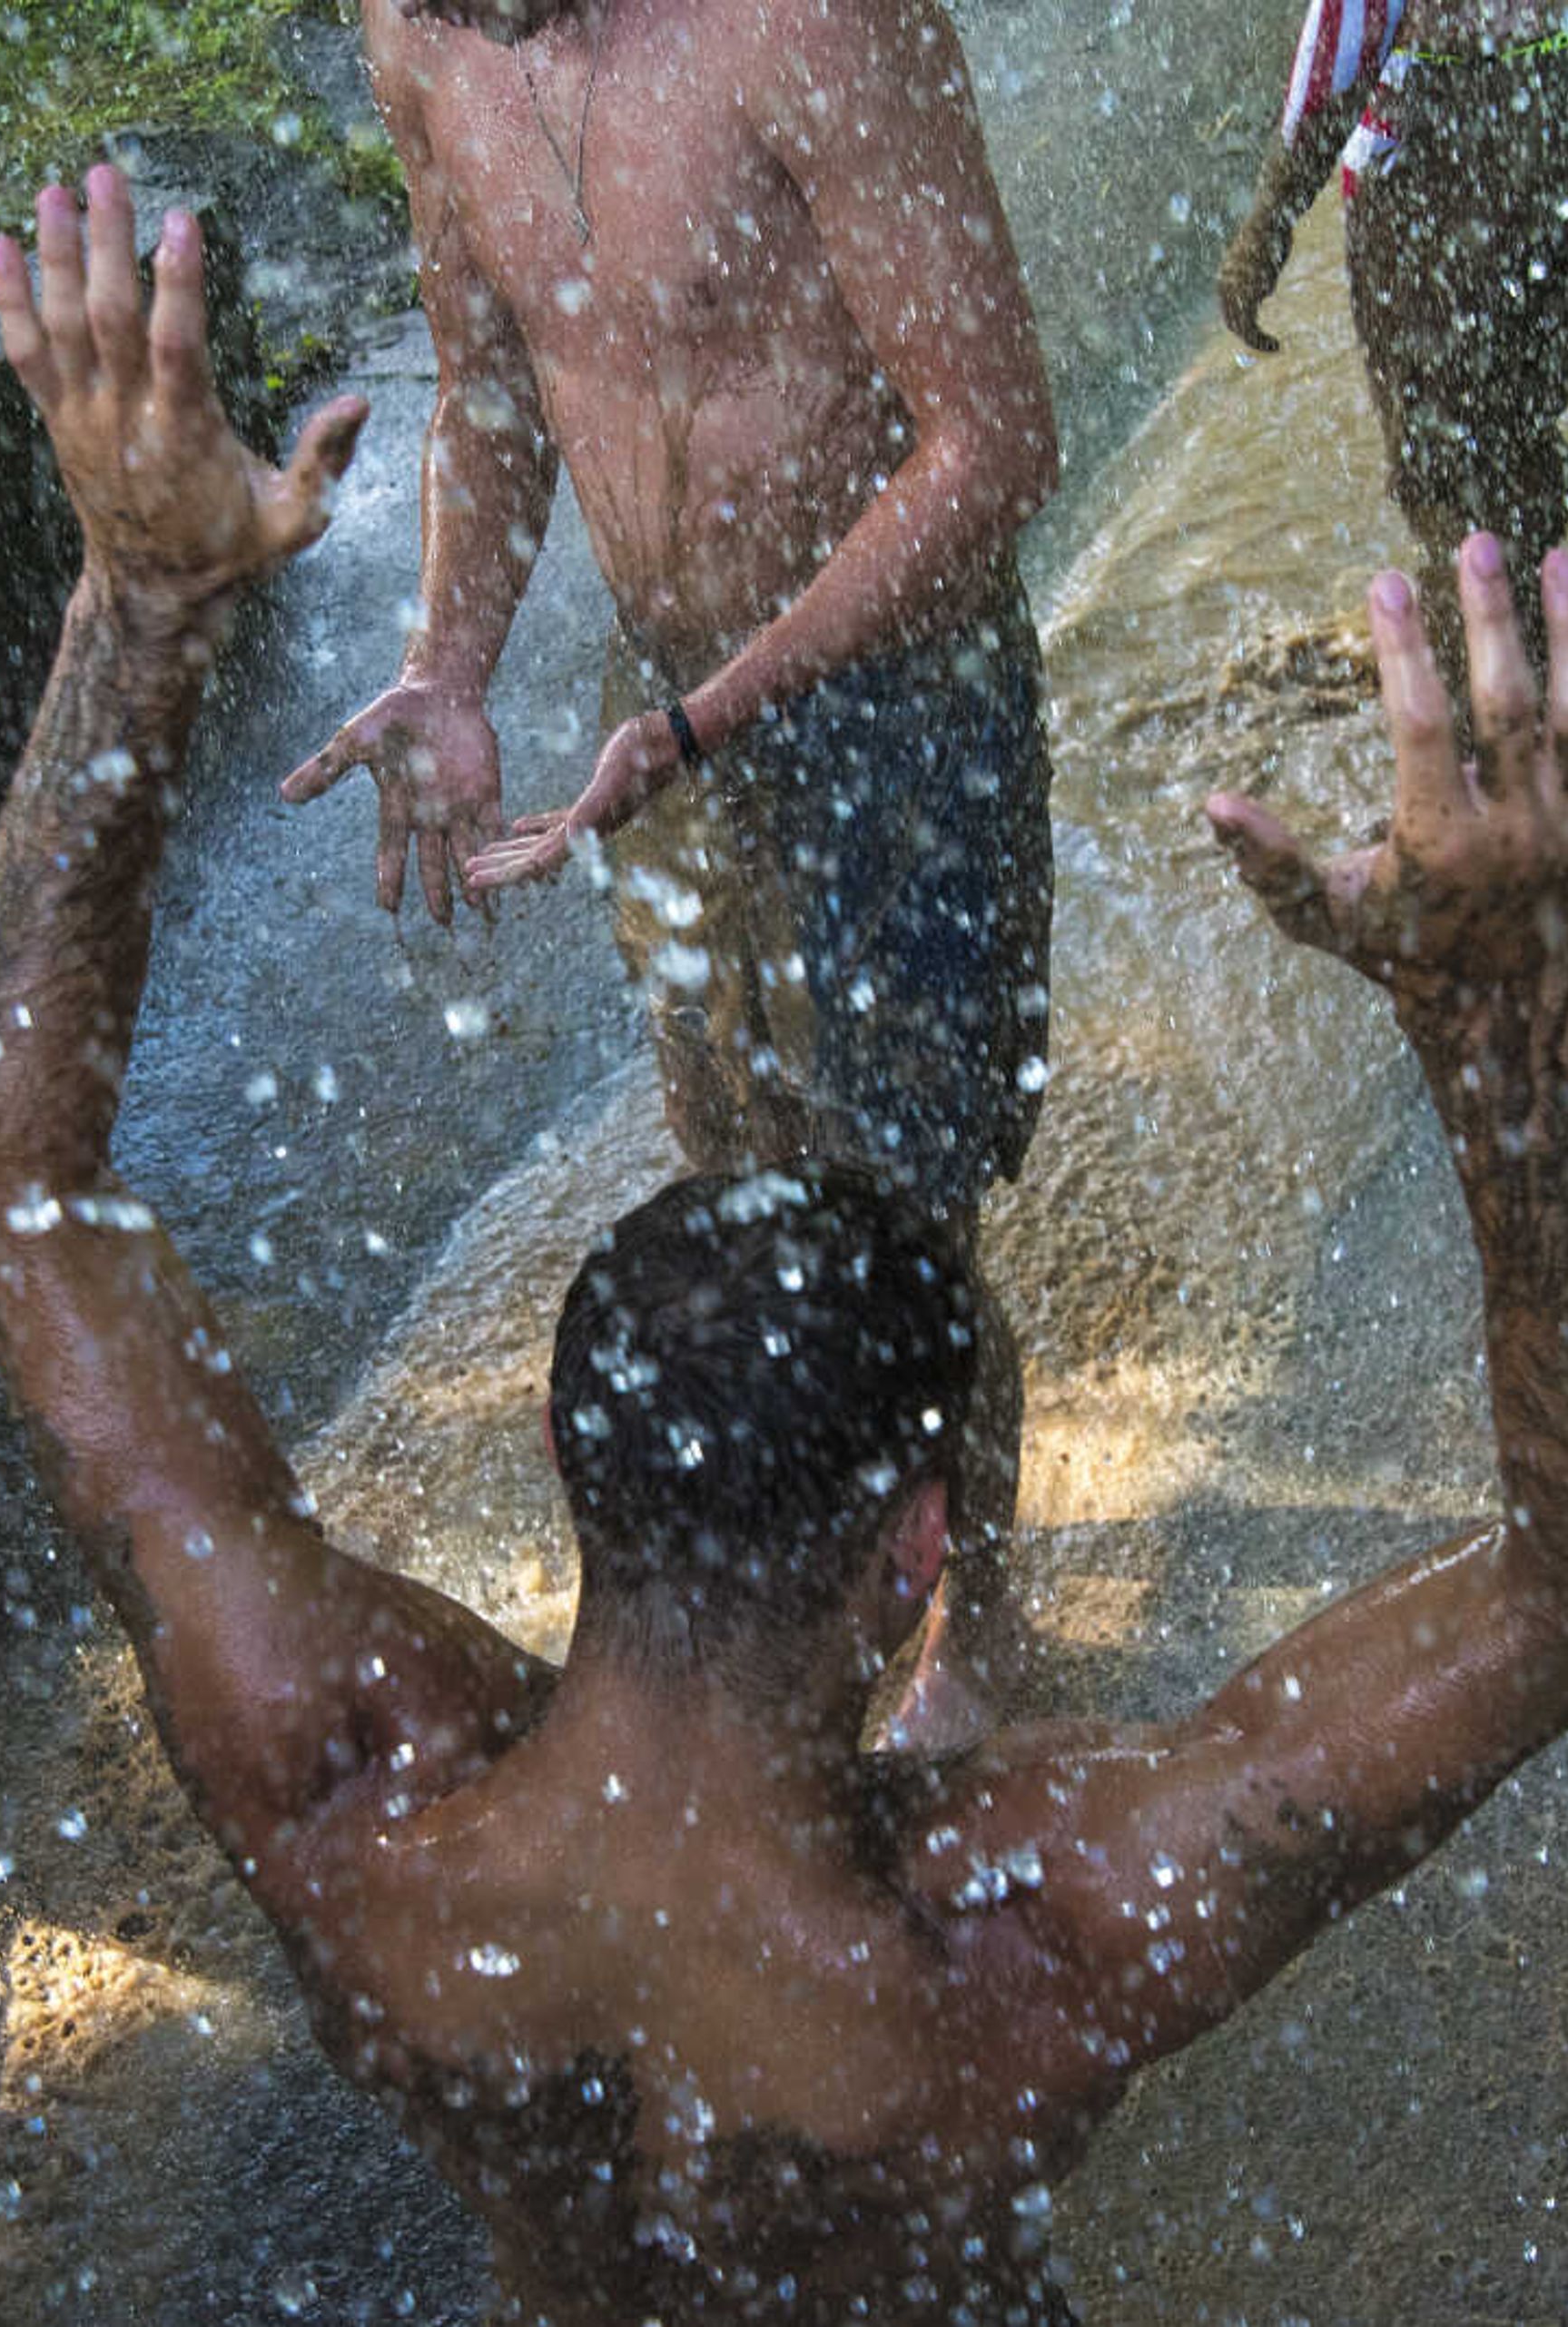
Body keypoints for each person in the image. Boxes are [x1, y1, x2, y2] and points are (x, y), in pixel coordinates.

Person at [0, 164, 1568, 2322]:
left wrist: (136, 613)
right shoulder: (1036, 1929)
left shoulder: (339, 1783)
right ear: (909, 1555)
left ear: (567, 1458)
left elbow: (1, 1174)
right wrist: (1499, 1018)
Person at [274, 0, 1067, 1735]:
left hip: (899, 709)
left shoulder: (816, 23)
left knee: (902, 1233)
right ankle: (797, 1599)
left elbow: (995, 442)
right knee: (740, 1203)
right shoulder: (420, 38)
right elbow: (487, 380)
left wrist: (713, 715)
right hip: (679, 724)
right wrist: (455, 661)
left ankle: (987, 1621)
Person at [1214, 0, 1568, 684]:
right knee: (1519, 417)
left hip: (1455, 126)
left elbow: (1352, 25)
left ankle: (1477, 712)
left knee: (1443, 458)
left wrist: (1269, 220)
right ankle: (1533, 641)